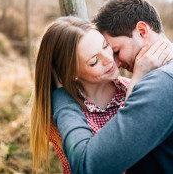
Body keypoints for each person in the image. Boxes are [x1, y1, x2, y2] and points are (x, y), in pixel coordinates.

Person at [30, 14, 170, 174]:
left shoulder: (131, 87)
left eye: (105, 46)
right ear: (71, 73)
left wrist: (136, 82)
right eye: (94, 61)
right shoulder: (67, 114)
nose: (109, 59)